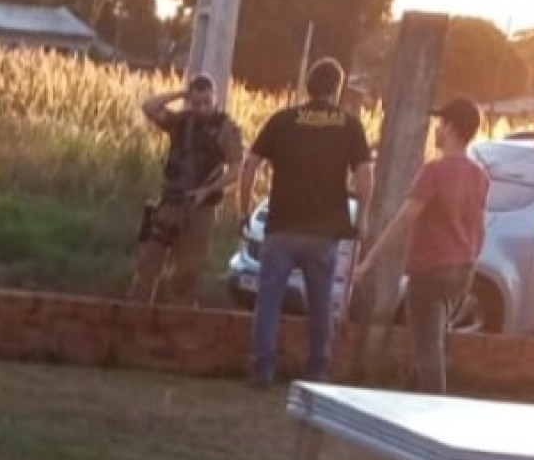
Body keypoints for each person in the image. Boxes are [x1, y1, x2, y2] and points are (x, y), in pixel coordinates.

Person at [238, 57, 376, 387]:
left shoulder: (283, 120)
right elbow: (366, 174)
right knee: (320, 302)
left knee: (268, 300)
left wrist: (243, 209)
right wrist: (364, 217)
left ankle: (263, 368)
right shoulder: (349, 125)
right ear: (338, 89)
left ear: (307, 86)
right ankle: (317, 368)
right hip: (324, 231)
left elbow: (249, 165)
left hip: (283, 225)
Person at [356, 96, 490, 395]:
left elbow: (404, 220)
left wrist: (368, 261)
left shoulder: (434, 172)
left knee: (429, 349)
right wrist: (471, 260)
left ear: (452, 129)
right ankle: (408, 401)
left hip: (430, 271)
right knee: (432, 339)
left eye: (440, 124)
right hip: (462, 271)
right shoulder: (479, 176)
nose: (436, 130)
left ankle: (432, 409)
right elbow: (480, 228)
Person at [128, 73, 245, 306]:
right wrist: (182, 93)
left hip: (200, 207)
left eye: (207, 103)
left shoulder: (225, 128)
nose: (202, 108)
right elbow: (150, 106)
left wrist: (208, 190)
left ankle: (181, 322)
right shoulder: (181, 121)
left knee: (186, 274)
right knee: (149, 263)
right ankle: (135, 315)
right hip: (170, 201)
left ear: (215, 100)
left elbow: (236, 169)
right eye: (197, 102)